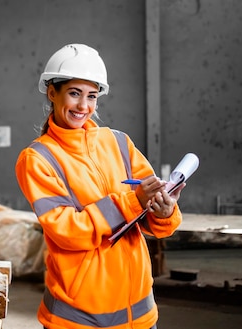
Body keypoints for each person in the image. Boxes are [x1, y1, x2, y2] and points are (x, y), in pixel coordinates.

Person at [15, 43, 184, 329]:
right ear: (52, 92)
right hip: (79, 319)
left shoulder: (118, 143)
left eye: (92, 96)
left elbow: (151, 221)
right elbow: (67, 231)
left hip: (141, 315)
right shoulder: (37, 159)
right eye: (74, 93)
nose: (84, 106)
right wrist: (132, 202)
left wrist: (163, 210)